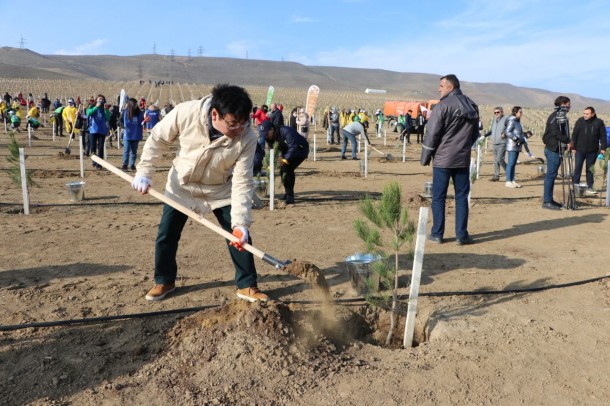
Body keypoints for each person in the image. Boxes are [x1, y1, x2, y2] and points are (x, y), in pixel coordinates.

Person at [131, 83, 268, 303]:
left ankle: (247, 285)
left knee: (239, 236)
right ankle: (164, 280)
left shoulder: (247, 137)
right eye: (233, 124)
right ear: (216, 114)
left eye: (244, 123)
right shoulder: (186, 113)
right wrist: (145, 172)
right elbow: (157, 138)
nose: (239, 130)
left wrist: (241, 222)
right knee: (167, 234)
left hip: (219, 189)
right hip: (181, 186)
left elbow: (243, 181)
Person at [421, 74, 479, 245]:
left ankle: (437, 234)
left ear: (450, 87)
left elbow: (432, 134)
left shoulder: (442, 106)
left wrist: (425, 158)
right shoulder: (472, 105)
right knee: (461, 197)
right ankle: (462, 235)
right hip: (462, 159)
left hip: (443, 160)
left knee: (438, 197)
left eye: (441, 85)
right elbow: (475, 133)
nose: (439, 89)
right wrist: (465, 147)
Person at [259, 119, 309, 204]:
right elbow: (273, 151)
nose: (266, 136)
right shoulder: (270, 138)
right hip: (287, 151)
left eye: (267, 134)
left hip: (300, 149)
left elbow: (293, 146)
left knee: (287, 169)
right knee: (283, 170)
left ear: (272, 129)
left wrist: (285, 159)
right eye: (264, 135)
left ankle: (290, 196)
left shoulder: (286, 131)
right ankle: (287, 193)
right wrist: (271, 163)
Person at [542, 96, 572, 210]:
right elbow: (556, 132)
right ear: (563, 104)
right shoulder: (555, 116)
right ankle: (546, 201)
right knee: (551, 175)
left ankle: (549, 200)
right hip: (553, 149)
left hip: (557, 149)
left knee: (552, 175)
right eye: (568, 103)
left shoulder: (560, 116)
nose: (569, 106)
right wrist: (568, 141)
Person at [571, 106, 607, 195]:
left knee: (590, 169)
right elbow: (574, 134)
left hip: (592, 151)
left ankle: (590, 187)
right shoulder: (580, 121)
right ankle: (575, 186)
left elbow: (603, 136)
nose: (585, 115)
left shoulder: (599, 122)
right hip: (579, 150)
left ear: (593, 114)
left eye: (587, 114)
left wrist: (603, 148)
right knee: (578, 168)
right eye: (584, 113)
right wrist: (573, 147)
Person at [482, 106, 508, 181]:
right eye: (495, 112)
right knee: (496, 160)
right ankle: (496, 176)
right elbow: (492, 131)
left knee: (500, 159)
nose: (496, 114)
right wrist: (484, 136)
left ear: (502, 112)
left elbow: (510, 128)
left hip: (502, 142)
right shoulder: (494, 121)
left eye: (498, 112)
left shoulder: (505, 120)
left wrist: (505, 133)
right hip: (495, 143)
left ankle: (509, 173)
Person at [504, 106, 526, 188]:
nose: (521, 113)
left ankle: (512, 180)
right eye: (520, 112)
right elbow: (507, 132)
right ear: (515, 112)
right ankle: (508, 181)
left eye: (521, 112)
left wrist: (523, 138)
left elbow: (518, 132)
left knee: (514, 164)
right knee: (511, 163)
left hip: (517, 145)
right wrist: (515, 138)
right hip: (512, 145)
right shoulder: (512, 121)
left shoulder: (517, 121)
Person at [86, 95, 110, 169]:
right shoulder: (91, 107)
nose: (101, 100)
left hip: (102, 130)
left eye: (102, 99)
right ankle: (94, 161)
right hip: (93, 130)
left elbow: (107, 118)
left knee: (100, 147)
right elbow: (88, 113)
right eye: (99, 99)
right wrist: (96, 107)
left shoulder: (104, 109)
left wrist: (106, 110)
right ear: (96, 100)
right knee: (93, 147)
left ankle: (99, 164)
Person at [121, 98, 145, 170]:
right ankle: (125, 164)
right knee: (126, 149)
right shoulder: (125, 112)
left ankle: (132, 164)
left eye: (136, 104)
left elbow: (142, 121)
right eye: (135, 104)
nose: (136, 105)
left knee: (134, 150)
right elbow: (119, 121)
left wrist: (145, 121)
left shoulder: (140, 113)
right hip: (127, 135)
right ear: (131, 104)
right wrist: (123, 126)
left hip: (136, 134)